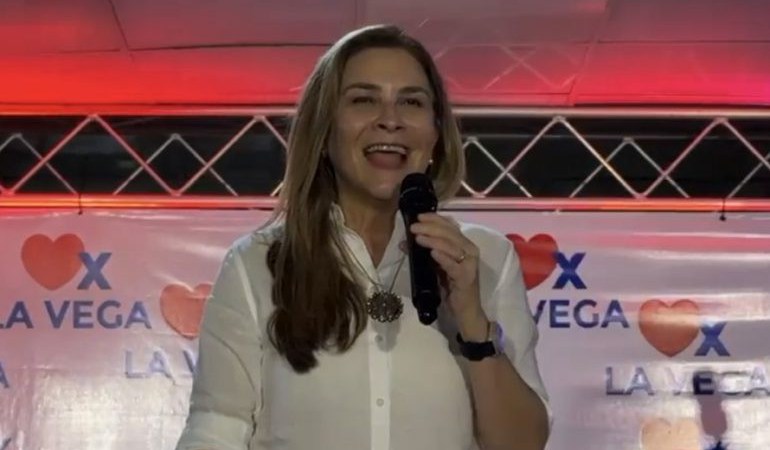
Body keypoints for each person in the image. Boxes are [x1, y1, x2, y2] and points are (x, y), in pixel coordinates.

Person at [175, 24, 551, 450]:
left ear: (435, 134)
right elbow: (217, 427)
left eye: (411, 101)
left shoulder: (487, 257)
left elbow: (523, 444)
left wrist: (471, 318)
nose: (390, 120)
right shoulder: (256, 263)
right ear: (323, 132)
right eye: (363, 99)